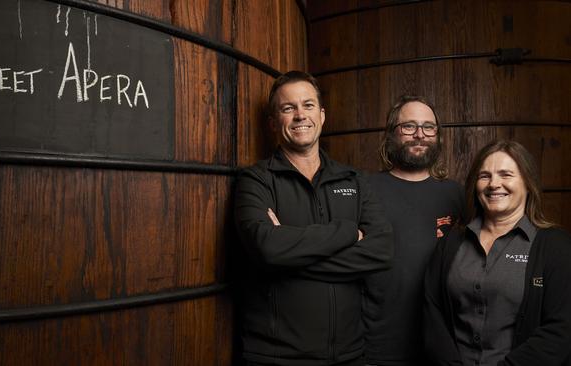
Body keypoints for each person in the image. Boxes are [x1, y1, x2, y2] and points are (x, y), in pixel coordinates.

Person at [233, 70, 393, 365]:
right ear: (272, 123)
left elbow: (381, 251)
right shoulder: (255, 181)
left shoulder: (354, 179)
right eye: (287, 108)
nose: (299, 116)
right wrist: (348, 233)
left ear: (322, 116)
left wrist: (289, 260)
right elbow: (268, 247)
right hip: (277, 358)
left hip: (349, 356)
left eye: (307, 105)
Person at [424, 140, 571, 366]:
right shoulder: (452, 241)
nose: (494, 184)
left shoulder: (555, 246)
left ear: (528, 183)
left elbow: (561, 329)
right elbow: (431, 311)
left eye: (506, 174)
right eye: (485, 176)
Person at [362, 96, 464, 366]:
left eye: (429, 127)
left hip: (443, 346)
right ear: (391, 133)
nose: (420, 134)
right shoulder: (364, 189)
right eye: (409, 126)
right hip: (377, 347)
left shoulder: (456, 195)